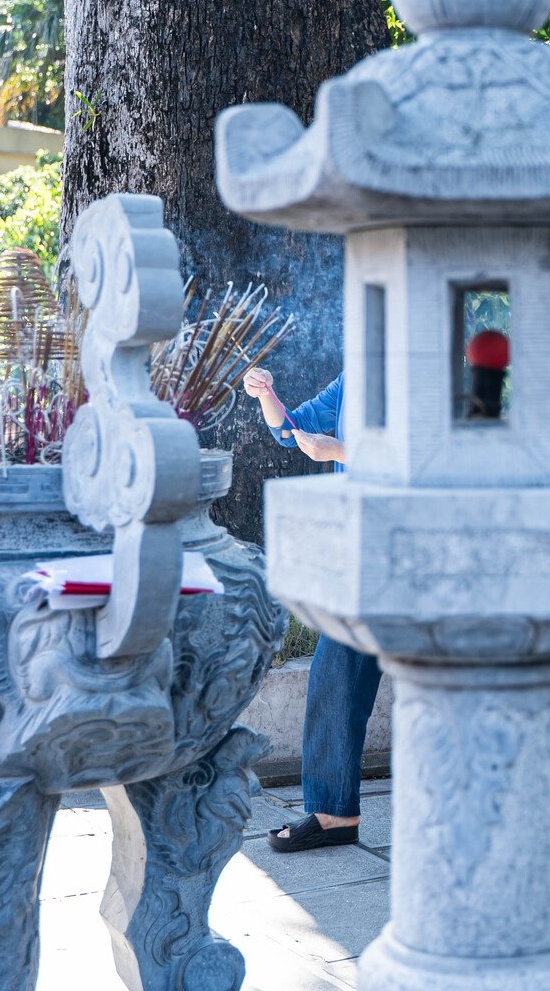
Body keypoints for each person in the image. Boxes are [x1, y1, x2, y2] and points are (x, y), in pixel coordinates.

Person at [241, 365, 372, 853]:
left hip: (408, 540)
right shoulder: (351, 379)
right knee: (338, 673)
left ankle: (334, 811)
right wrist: (266, 395)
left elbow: (426, 459)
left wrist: (339, 451)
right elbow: (290, 430)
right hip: (362, 540)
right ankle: (333, 811)